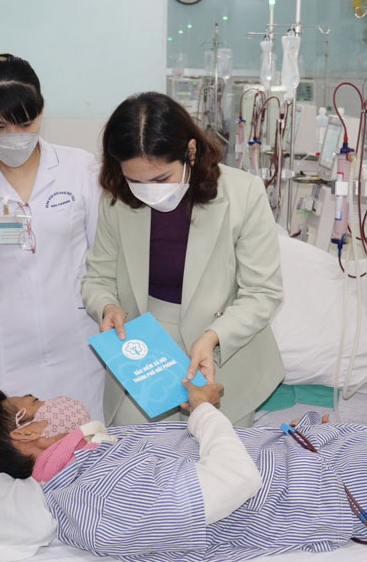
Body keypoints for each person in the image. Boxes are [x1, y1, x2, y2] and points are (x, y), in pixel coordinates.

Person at [0, 384, 367, 561]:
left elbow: (210, 454)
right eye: (35, 403)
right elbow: (235, 481)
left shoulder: (93, 454)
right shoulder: (95, 504)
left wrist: (293, 432)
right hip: (333, 488)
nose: (50, 402)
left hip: (325, 456)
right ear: (27, 434)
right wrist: (204, 409)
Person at [82, 92, 284, 426]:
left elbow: (263, 292)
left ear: (190, 151)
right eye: (135, 180)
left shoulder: (243, 194)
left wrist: (213, 336)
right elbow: (97, 278)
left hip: (220, 346)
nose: (148, 190)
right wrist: (107, 307)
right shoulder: (117, 199)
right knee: (140, 455)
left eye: (161, 179)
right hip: (144, 355)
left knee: (217, 454)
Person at [0, 54, 104, 420]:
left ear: (41, 111)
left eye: (25, 123)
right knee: (19, 442)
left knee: (86, 435)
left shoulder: (81, 169)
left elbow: (104, 258)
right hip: (9, 345)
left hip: (78, 337)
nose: (13, 137)